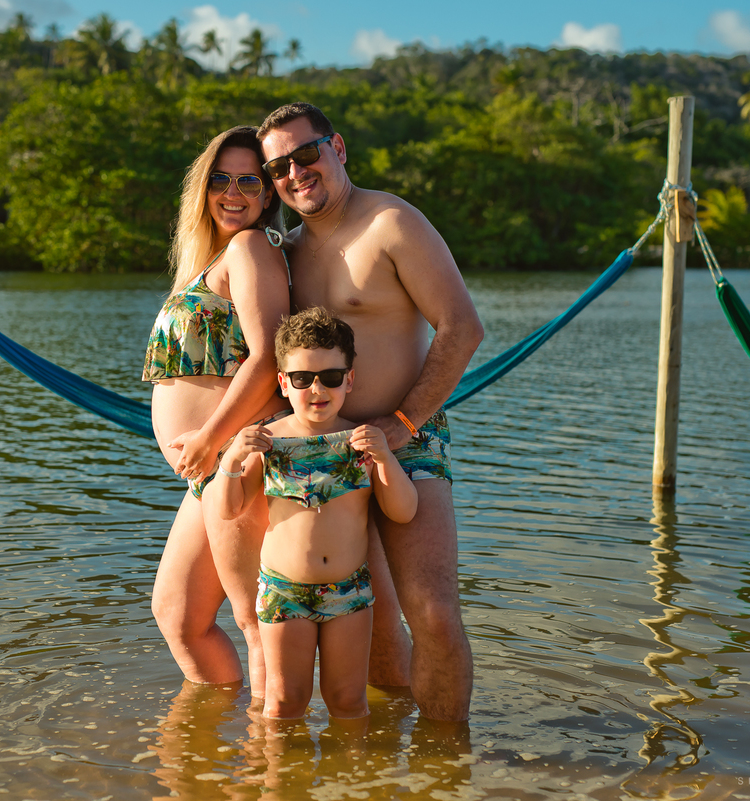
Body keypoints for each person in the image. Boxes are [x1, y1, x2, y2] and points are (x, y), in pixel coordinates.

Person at [257, 103, 486, 721]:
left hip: (407, 436)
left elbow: (462, 327)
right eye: (278, 167)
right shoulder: (286, 251)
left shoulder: (392, 223)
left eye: (306, 154)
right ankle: (382, 759)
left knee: (433, 615)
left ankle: (447, 762)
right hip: (320, 450)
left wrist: (404, 423)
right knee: (375, 625)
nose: (295, 173)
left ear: (337, 148)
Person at [210, 308, 418, 720]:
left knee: (348, 702)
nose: (317, 388)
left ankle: (354, 766)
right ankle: (274, 764)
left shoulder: (360, 442)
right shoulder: (270, 442)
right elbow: (229, 509)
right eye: (303, 378)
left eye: (331, 377)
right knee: (284, 703)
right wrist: (232, 458)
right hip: (284, 590)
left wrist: (385, 459)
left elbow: (403, 511)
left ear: (349, 379)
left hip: (349, 591)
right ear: (284, 383)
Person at [142, 126, 291, 694]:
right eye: (221, 180)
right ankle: (209, 733)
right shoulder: (215, 258)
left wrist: (207, 438)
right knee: (178, 615)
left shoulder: (250, 247)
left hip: (237, 456)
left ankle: (271, 740)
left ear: (268, 194)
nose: (233, 193)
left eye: (249, 181)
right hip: (212, 464)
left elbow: (268, 358)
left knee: (256, 622)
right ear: (202, 188)